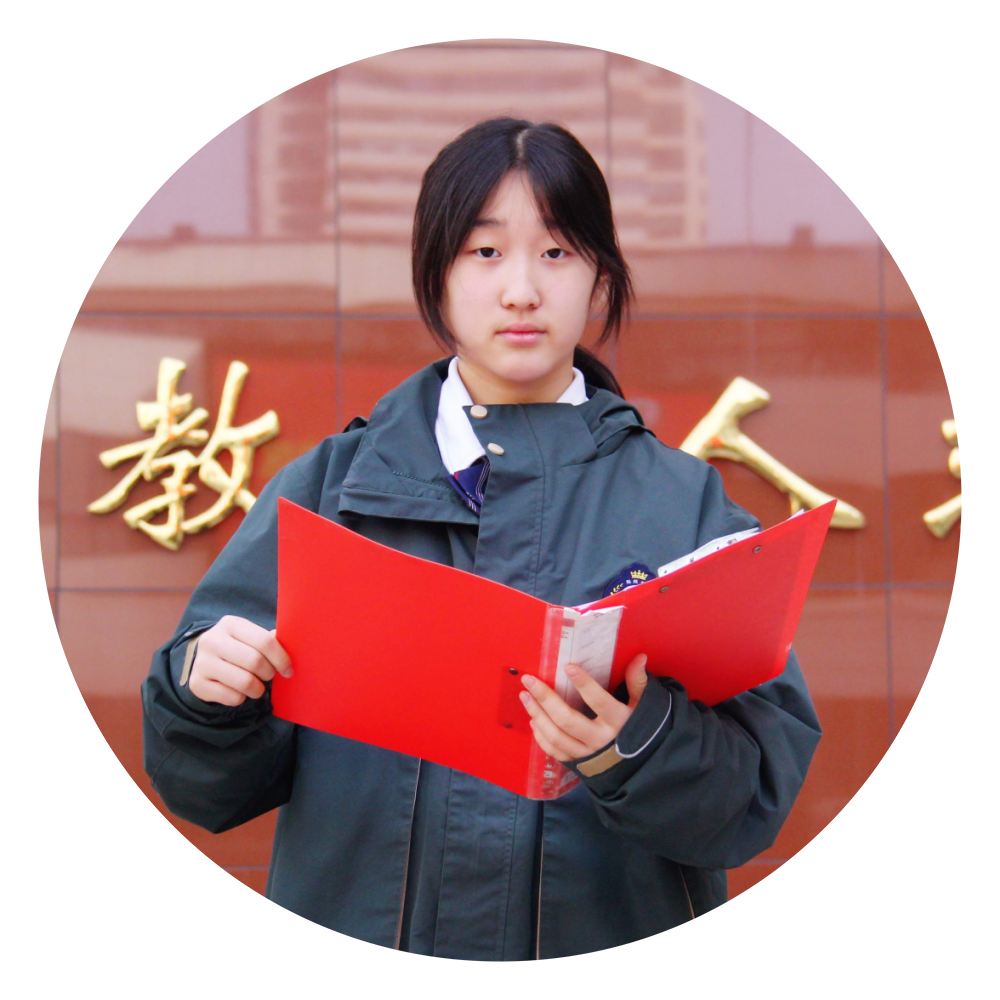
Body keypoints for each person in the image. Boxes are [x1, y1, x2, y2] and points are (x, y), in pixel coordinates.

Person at [142, 117, 822, 960]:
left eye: (557, 252)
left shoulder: (686, 507)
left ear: (600, 277)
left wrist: (635, 745)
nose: (522, 291)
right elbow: (204, 788)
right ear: (437, 273)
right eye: (486, 252)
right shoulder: (330, 493)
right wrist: (203, 694)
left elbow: (755, 797)